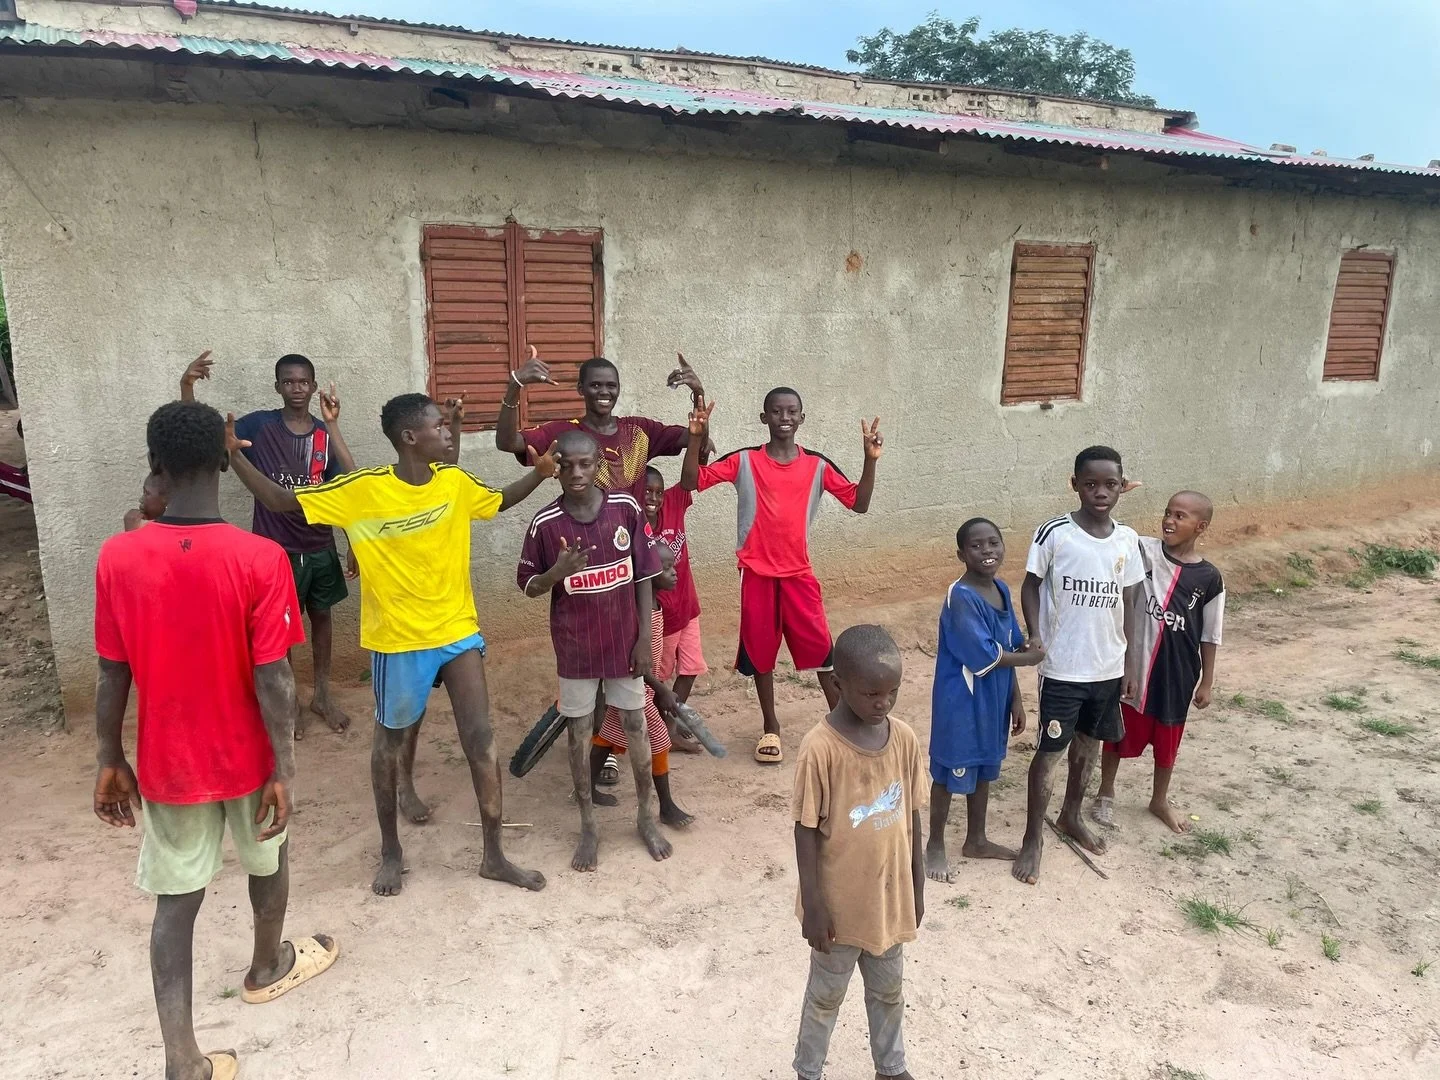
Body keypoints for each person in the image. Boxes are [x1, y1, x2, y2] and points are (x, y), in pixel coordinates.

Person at [225, 392, 556, 897]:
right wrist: (235, 456)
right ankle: (391, 850)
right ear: (409, 437)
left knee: (481, 738)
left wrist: (542, 473)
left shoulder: (453, 481)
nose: (448, 432)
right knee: (389, 745)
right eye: (438, 425)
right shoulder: (362, 489)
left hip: (456, 630)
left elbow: (498, 500)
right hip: (399, 641)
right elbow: (281, 501)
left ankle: (493, 854)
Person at [94, 401, 339, 1080]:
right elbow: (276, 683)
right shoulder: (260, 559)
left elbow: (112, 673)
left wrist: (109, 758)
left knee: (175, 905)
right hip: (251, 760)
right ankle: (266, 965)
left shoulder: (119, 556)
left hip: (168, 766)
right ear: (220, 465)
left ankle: (183, 1061)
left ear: (158, 469)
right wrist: (284, 769)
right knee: (270, 859)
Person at [682, 392, 882, 765]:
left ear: (802, 418)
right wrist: (695, 437)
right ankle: (771, 726)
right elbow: (692, 481)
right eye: (776, 412)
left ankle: (846, 727)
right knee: (761, 655)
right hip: (757, 575)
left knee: (823, 652)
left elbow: (860, 503)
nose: (784, 417)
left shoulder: (817, 466)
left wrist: (869, 462)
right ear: (764, 418)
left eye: (791, 411)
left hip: (799, 576)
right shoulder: (745, 460)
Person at [181, 351, 358, 737]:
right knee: (284, 628)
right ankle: (290, 701)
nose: (297, 388)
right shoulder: (259, 427)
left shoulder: (325, 435)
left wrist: (352, 541)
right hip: (274, 551)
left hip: (320, 544)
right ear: (277, 386)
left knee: (323, 618)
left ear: (313, 386)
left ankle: (323, 695)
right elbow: (208, 437)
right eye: (288, 381)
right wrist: (187, 389)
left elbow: (346, 492)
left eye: (303, 381)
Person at [518, 429, 669, 871]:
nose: (576, 473)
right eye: (566, 465)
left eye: (585, 464)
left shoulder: (625, 509)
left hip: (624, 641)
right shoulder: (545, 524)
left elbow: (643, 574)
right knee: (579, 733)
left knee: (636, 726)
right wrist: (555, 574)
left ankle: (645, 816)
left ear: (599, 463)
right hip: (576, 648)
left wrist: (644, 636)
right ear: (555, 468)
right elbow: (529, 585)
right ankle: (588, 824)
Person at [792, 623, 923, 1080]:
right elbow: (805, 831)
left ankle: (890, 1068)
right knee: (825, 995)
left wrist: (917, 886)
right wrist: (814, 906)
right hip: (838, 912)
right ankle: (808, 1070)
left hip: (887, 904)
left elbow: (912, 816)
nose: (883, 703)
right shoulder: (820, 749)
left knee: (889, 992)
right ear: (837, 684)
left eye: (892, 692)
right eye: (871, 693)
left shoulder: (903, 738)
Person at [1012, 446, 1144, 885]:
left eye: (1110, 485)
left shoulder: (1127, 540)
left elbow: (1131, 601)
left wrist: (1130, 663)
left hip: (1106, 668)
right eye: (1090, 484)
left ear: (1122, 486)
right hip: (1064, 668)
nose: (1100, 492)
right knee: (1050, 752)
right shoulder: (1055, 533)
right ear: (1075, 485)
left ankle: (1071, 814)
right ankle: (1034, 836)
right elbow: (1030, 586)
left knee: (1087, 747)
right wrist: (1036, 633)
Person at [1092, 491, 1225, 834]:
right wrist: (1114, 491)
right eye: (1168, 513)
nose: (1169, 520)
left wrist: (1206, 681)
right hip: (1136, 668)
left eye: (1180, 516)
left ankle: (1159, 799)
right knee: (1118, 732)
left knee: (1168, 738)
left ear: (1201, 526)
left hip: (1178, 674)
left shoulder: (1209, 579)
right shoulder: (1142, 550)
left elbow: (1210, 634)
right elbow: (1109, 529)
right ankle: (1105, 792)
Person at [925, 518, 1044, 882]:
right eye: (976, 546)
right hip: (961, 701)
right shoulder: (960, 597)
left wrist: (1017, 700)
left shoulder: (1002, 590)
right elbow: (984, 656)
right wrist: (1031, 659)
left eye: (993, 543)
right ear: (961, 554)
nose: (987, 551)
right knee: (950, 769)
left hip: (993, 698)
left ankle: (976, 839)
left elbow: (1008, 647)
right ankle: (935, 845)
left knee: (985, 765)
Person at [496, 347, 707, 504]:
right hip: (591, 540)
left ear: (618, 389)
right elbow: (507, 442)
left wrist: (698, 392)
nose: (604, 392)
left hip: (636, 545)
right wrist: (515, 384)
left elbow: (695, 439)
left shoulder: (639, 431)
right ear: (581, 389)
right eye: (595, 385)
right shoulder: (566, 433)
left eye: (611, 386)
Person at [588, 541, 697, 827]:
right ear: (647, 573)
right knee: (660, 739)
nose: (675, 573)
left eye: (674, 565)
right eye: (667, 568)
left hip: (640, 686)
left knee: (609, 736)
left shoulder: (654, 604)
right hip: (636, 687)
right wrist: (660, 688)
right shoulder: (639, 611)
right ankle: (666, 806)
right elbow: (636, 662)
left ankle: (584, 788)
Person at [644, 463, 708, 753]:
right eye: (646, 492)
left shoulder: (674, 501)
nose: (654, 498)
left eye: (658, 492)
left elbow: (691, 474)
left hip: (687, 606)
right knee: (658, 678)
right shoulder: (632, 526)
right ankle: (656, 729)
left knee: (691, 667)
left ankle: (669, 730)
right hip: (660, 617)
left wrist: (698, 438)